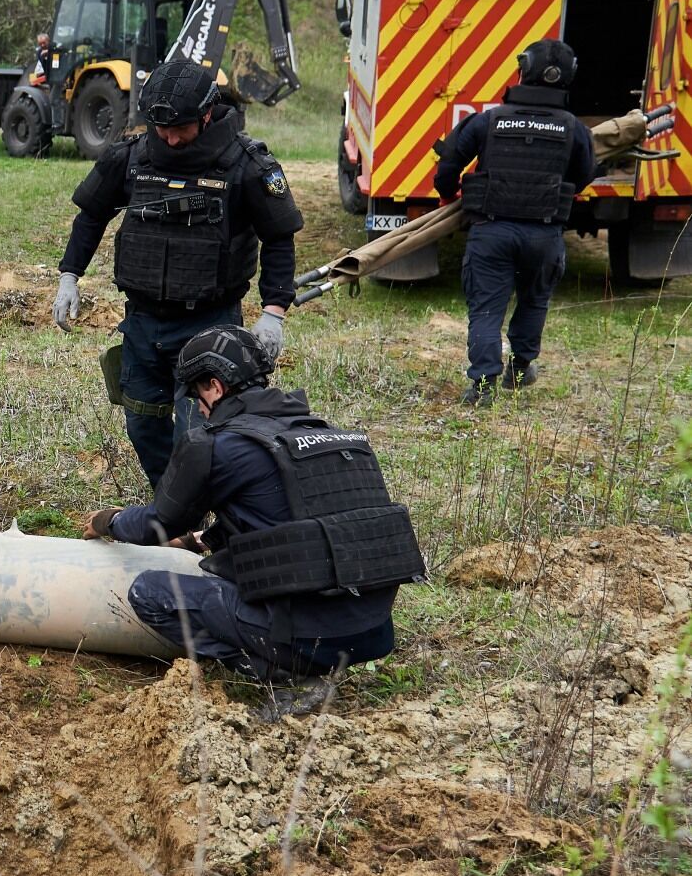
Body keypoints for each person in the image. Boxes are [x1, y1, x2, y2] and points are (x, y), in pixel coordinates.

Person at [82, 325, 424, 717]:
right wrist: (203, 541)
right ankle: (309, 657)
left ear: (214, 386)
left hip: (306, 637)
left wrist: (110, 521)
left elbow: (157, 524)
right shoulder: (332, 437)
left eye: (196, 396)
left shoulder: (216, 445)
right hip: (372, 632)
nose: (199, 409)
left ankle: (286, 673)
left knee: (149, 592)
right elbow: (291, 519)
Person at [52, 60, 303, 486]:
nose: (169, 138)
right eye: (160, 129)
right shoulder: (132, 156)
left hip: (209, 323)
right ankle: (169, 501)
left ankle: (196, 509)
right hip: (143, 322)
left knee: (200, 434)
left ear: (206, 115)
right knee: (143, 424)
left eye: (179, 129)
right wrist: (69, 275)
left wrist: (273, 312)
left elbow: (279, 238)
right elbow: (92, 215)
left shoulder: (245, 165)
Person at [434, 38, 597, 407]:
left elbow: (447, 167)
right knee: (533, 302)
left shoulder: (488, 119)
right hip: (544, 235)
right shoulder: (574, 129)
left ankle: (482, 387)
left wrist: (450, 196)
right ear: (568, 78)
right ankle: (519, 371)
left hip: (491, 232)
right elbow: (585, 174)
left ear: (522, 70)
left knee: (486, 308)